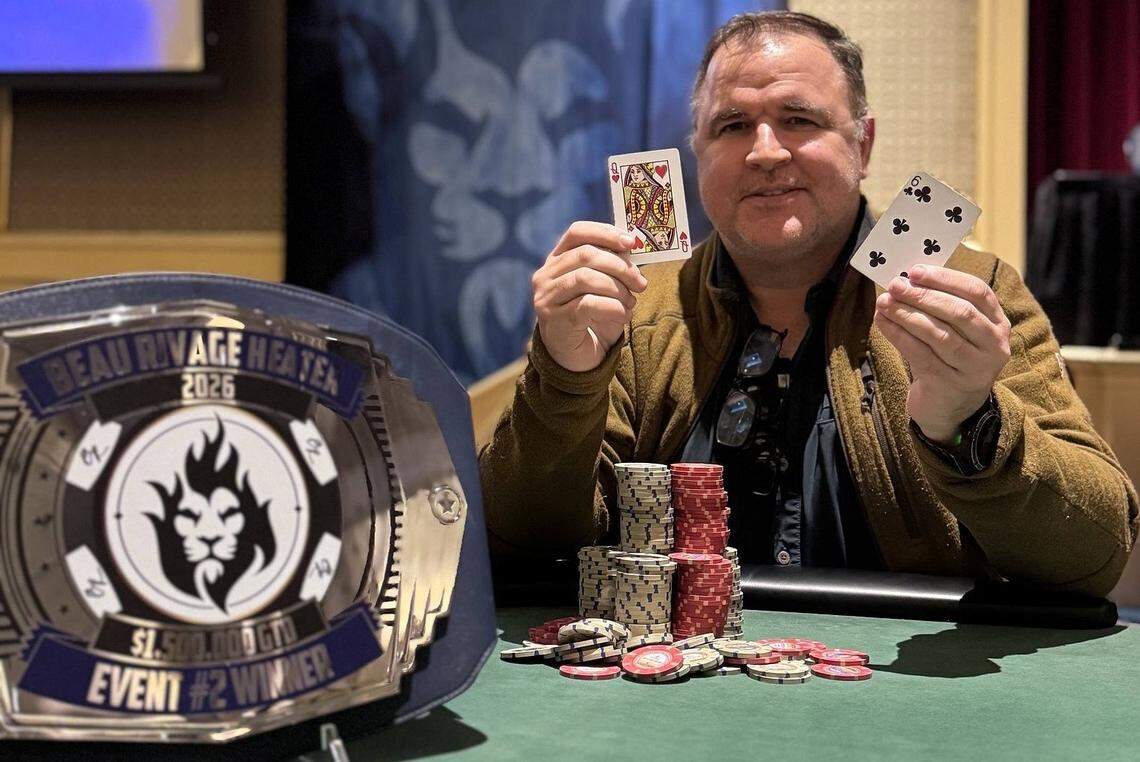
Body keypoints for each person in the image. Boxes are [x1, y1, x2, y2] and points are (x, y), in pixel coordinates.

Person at [478, 10, 1138, 596]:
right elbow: (516, 542)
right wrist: (566, 375)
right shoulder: (638, 312)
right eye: (732, 125)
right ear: (698, 153)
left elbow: (1093, 555)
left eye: (799, 119)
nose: (766, 151)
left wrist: (968, 422)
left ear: (864, 144)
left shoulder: (966, 291)